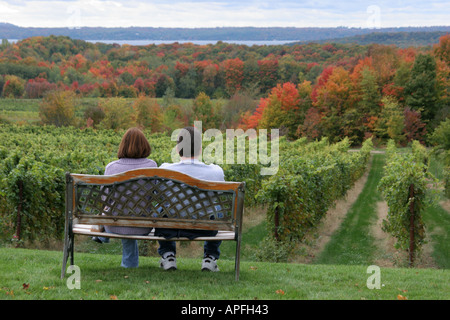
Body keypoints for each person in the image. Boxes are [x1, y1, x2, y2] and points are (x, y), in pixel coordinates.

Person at [156, 126, 224, 272]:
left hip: (171, 228)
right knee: (218, 209)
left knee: (162, 208)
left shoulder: (164, 170)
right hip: (204, 228)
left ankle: (168, 255)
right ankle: (209, 258)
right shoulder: (216, 171)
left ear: (177, 148)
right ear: (200, 149)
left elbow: (159, 195)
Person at [93, 127, 157, 268]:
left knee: (112, 209)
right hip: (143, 226)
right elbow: (154, 196)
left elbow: (104, 199)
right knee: (132, 211)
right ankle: (128, 264)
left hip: (114, 225)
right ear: (144, 145)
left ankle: (101, 235)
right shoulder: (152, 166)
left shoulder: (111, 167)